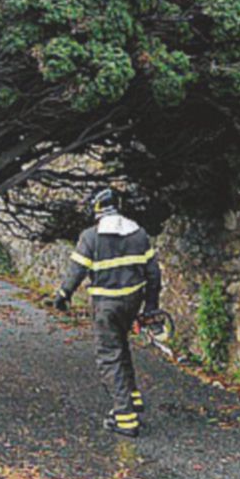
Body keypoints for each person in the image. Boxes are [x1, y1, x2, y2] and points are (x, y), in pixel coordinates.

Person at [53, 188, 162, 438]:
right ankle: (132, 398)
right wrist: (151, 308)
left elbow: (76, 272)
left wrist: (62, 296)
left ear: (97, 210)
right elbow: (154, 275)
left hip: (106, 307)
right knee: (121, 347)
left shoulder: (91, 237)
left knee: (109, 356)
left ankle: (125, 418)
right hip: (132, 302)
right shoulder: (139, 234)